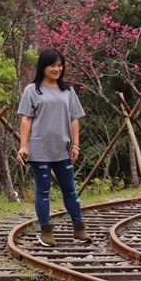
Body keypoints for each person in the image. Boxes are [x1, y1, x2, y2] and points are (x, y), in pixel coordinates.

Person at [17, 48, 92, 247]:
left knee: (70, 190)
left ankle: (79, 229)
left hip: (63, 150)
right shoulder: (32, 90)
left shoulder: (68, 91)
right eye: (53, 65)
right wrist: (23, 146)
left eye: (60, 65)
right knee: (43, 191)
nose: (57, 69)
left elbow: (74, 118)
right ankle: (46, 232)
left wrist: (76, 145)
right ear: (43, 67)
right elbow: (26, 119)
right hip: (39, 149)